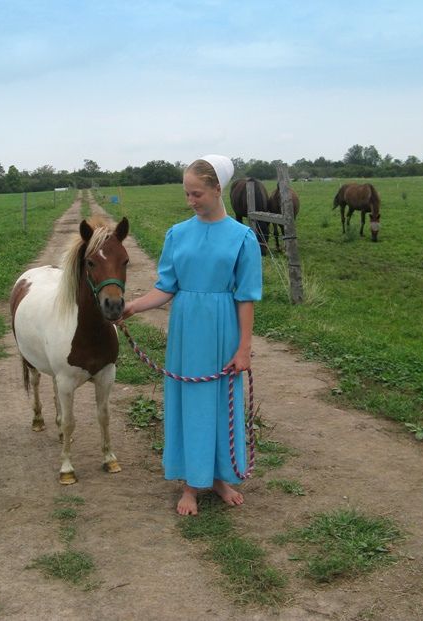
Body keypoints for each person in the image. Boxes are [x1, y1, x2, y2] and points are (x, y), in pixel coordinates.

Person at [122, 154, 262, 515]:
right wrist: (134, 306)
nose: (191, 201)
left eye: (197, 193)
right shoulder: (177, 234)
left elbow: (246, 298)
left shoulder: (243, 239)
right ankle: (190, 484)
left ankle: (218, 477)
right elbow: (167, 287)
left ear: (218, 189)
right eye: (187, 194)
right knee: (189, 404)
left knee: (220, 402)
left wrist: (244, 348)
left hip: (223, 330)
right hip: (186, 332)